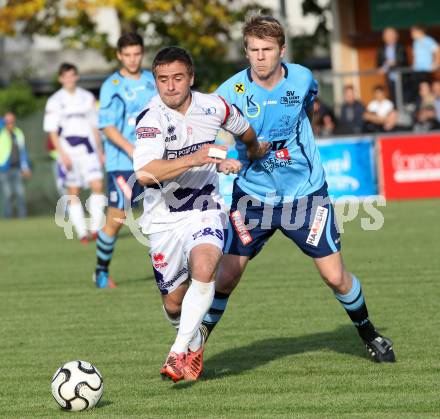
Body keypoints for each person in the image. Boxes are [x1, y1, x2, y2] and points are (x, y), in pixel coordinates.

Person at [189, 15, 396, 380]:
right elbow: (214, 137)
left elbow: (309, 110)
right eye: (253, 50)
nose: (260, 57)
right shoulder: (230, 91)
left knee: (335, 277)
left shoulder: (302, 78)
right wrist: (225, 160)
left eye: (267, 50)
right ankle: (193, 348)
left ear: (281, 51)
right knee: (225, 278)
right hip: (253, 198)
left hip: (305, 194)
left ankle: (370, 335)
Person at [133, 46, 268, 383]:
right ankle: (190, 336)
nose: (170, 86)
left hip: (204, 209)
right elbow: (146, 174)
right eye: (162, 80)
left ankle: (178, 353)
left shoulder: (214, 106)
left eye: (178, 78)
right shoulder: (150, 119)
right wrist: (196, 158)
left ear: (190, 78)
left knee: (206, 268)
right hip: (162, 219)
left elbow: (242, 128)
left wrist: (249, 151)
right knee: (174, 305)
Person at [94, 33, 157, 288]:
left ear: (142, 53)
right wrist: (132, 149)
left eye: (137, 54)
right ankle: (101, 271)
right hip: (122, 162)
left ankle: (168, 269)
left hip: (153, 161)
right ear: (120, 56)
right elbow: (107, 126)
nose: (132, 59)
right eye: (127, 54)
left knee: (161, 215)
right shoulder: (112, 85)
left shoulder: (152, 81)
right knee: (117, 218)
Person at [44, 63, 106, 243]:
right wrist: (62, 154)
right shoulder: (54, 101)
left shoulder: (87, 97)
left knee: (97, 186)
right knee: (73, 191)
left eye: (72, 75)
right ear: (60, 79)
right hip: (68, 152)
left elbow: (95, 126)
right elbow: (52, 131)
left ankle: (96, 228)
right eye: (66, 76)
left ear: (76, 76)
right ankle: (81, 232)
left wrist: (100, 151)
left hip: (89, 150)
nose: (69, 79)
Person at [0, 112, 31, 217]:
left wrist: (26, 167)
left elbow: (23, 151)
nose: (10, 123)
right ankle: (7, 218)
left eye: (12, 121)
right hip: (3, 169)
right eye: (7, 121)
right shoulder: (1, 132)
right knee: (7, 194)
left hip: (17, 168)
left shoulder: (18, 133)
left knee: (20, 193)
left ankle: (23, 218)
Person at [376, 27, 408, 103]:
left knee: (403, 98)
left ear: (395, 36)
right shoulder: (381, 49)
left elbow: (404, 60)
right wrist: (381, 68)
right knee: (393, 98)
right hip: (390, 78)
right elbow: (378, 63)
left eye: (390, 35)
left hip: (402, 78)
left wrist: (393, 62)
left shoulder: (401, 47)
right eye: (386, 35)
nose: (388, 37)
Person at [410, 26, 440, 101]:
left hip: (426, 69)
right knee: (418, 89)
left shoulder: (428, 40)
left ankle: (429, 103)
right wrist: (414, 65)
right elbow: (416, 56)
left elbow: (437, 50)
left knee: (425, 87)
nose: (411, 34)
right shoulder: (415, 42)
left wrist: (436, 63)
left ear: (420, 31)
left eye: (413, 32)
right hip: (417, 70)